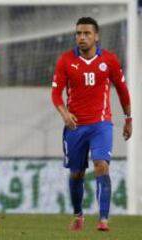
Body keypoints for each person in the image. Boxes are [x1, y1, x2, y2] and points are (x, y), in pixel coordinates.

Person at [51, 17, 132, 232]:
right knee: (76, 173)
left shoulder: (110, 60)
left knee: (101, 165)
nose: (82, 37)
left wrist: (128, 119)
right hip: (75, 127)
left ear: (96, 36)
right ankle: (78, 215)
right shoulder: (66, 60)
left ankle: (103, 219)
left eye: (86, 33)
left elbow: (123, 91)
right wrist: (64, 113)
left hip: (101, 125)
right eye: (78, 33)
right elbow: (56, 94)